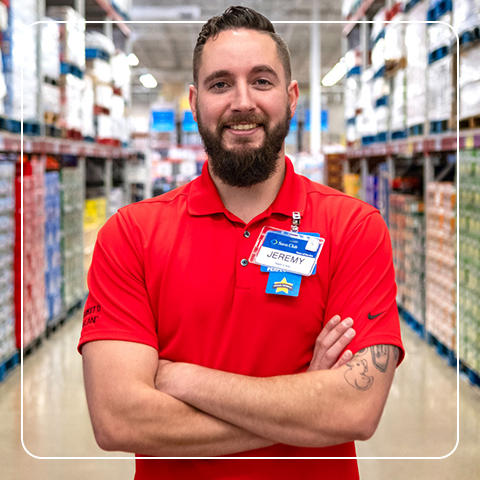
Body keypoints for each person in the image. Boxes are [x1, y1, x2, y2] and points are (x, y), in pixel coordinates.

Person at [79, 6, 404, 479]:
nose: (242, 102)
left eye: (262, 81)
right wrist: (304, 402)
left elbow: (354, 411)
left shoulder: (354, 227)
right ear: (194, 103)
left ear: (292, 97)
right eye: (220, 84)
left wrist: (185, 378)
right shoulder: (131, 235)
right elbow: (117, 419)